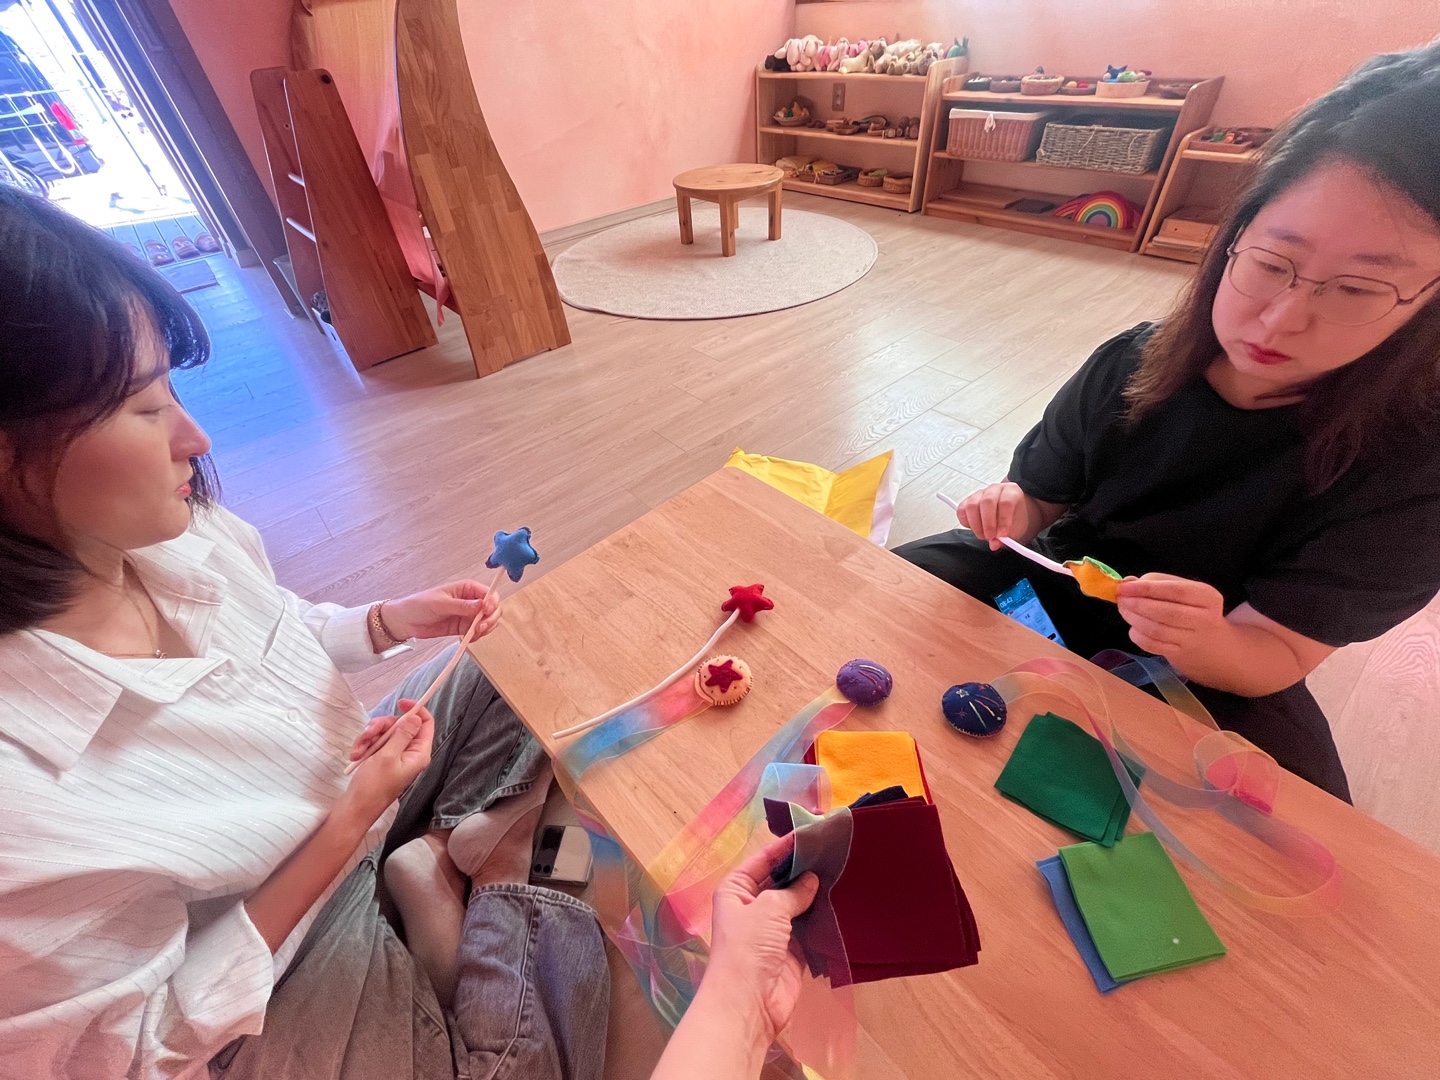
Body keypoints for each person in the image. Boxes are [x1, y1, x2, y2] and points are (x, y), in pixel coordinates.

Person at [0, 185, 823, 1080]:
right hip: (282, 963)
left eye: (174, 392)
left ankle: (440, 857)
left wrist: (387, 622)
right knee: (540, 994)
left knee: (531, 659)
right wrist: (349, 820)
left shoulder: (167, 531)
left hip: (344, 786)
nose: (195, 438)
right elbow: (133, 1050)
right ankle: (500, 866)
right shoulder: (25, 801)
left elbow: (276, 628)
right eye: (144, 408)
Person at [896, 42, 1440, 802]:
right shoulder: (1132, 362)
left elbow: (1278, 649)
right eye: (1271, 263)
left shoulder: (1413, 470)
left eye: (1356, 289)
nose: (1281, 320)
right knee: (887, 598)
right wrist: (1013, 508)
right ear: (1233, 237)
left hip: (1218, 657)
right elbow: (1042, 500)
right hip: (1060, 578)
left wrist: (1210, 642)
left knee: (1288, 817)